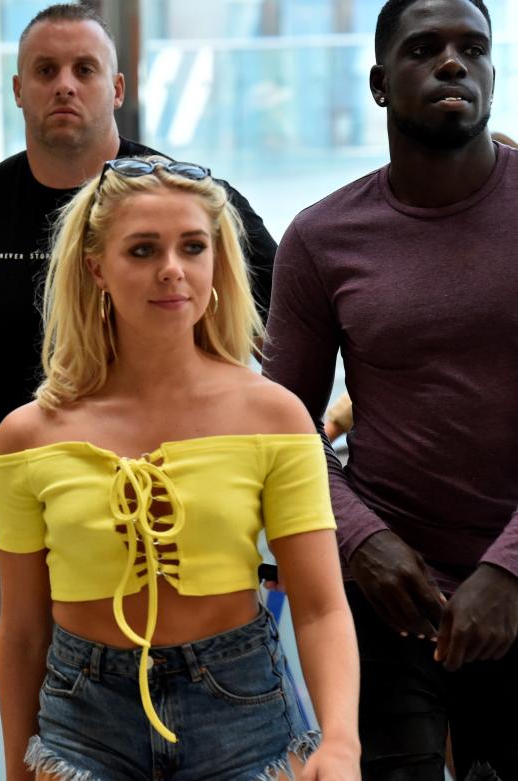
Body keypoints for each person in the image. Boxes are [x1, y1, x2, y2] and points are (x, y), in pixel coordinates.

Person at [0, 6, 278, 772]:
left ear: (117, 86)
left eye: (83, 70)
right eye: (45, 71)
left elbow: (279, 339)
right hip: (19, 536)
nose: (64, 87)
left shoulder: (193, 204)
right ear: (17, 89)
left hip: (178, 540)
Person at [0, 156, 360, 781]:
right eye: (142, 250)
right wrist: (18, 765)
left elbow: (321, 606)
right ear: (96, 269)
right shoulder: (28, 435)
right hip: (81, 722)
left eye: (193, 247)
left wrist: (342, 742)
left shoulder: (274, 415)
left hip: (241, 713)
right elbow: (23, 631)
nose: (172, 270)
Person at [263, 0, 518, 776]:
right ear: (378, 83)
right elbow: (281, 426)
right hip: (389, 596)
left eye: (472, 48)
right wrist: (359, 538)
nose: (452, 63)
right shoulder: (320, 237)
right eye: (425, 48)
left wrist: (510, 568)